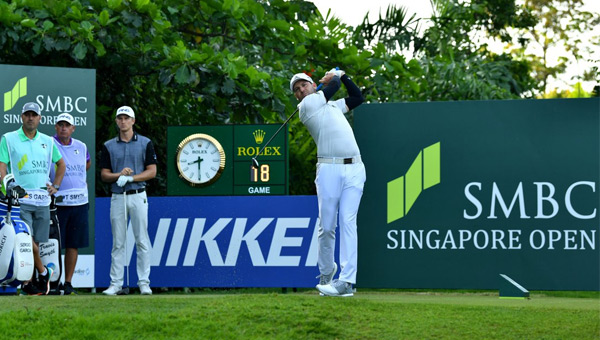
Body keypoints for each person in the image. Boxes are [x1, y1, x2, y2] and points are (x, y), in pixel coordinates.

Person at [290, 69, 366, 297]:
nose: (301, 90)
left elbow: (357, 98)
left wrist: (342, 76)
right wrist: (333, 76)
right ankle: (326, 273)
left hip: (355, 167)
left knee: (348, 221)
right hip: (328, 169)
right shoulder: (306, 107)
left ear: (313, 85)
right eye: (296, 90)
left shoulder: (332, 106)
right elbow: (331, 88)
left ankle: (346, 282)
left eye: (303, 85)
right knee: (327, 226)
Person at [0, 102, 66, 295]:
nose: (30, 118)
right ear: (22, 117)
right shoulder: (9, 139)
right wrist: (6, 183)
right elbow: (2, 165)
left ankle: (29, 283)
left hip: (42, 200)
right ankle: (43, 272)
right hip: (20, 199)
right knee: (26, 240)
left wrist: (56, 186)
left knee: (37, 242)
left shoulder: (48, 141)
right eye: (27, 114)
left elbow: (61, 165)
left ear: (39, 118)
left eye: (34, 115)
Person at [99, 105, 157, 295]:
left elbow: (152, 171)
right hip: (118, 196)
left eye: (126, 118)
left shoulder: (145, 143)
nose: (123, 121)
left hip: (138, 194)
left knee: (142, 240)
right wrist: (119, 175)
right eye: (120, 118)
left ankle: (143, 282)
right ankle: (115, 283)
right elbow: (104, 175)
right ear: (116, 121)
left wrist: (131, 178)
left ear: (133, 121)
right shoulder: (109, 145)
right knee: (118, 242)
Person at [49, 113, 91, 295]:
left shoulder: (81, 146)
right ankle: (53, 282)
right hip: (58, 202)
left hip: (80, 201)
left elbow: (86, 164)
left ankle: (68, 283)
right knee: (54, 244)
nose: (64, 128)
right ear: (56, 127)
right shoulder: (49, 144)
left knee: (72, 244)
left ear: (73, 128)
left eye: (67, 125)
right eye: (61, 125)